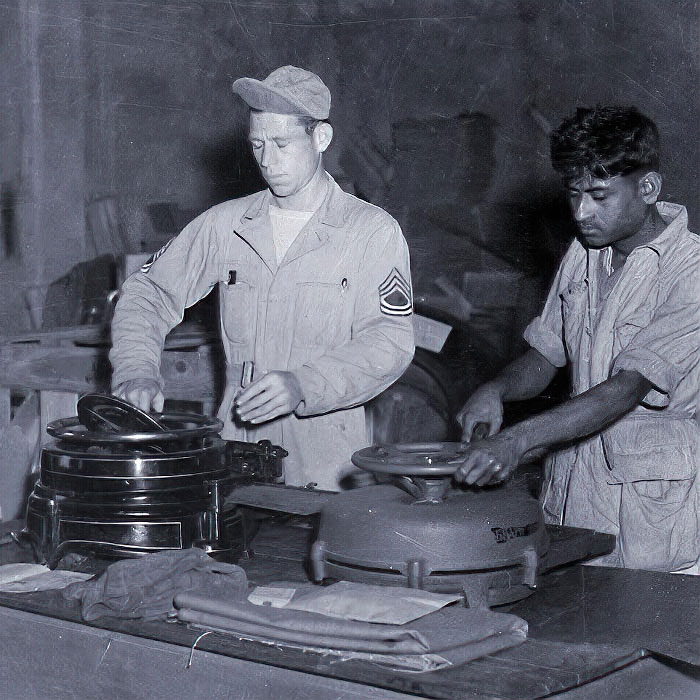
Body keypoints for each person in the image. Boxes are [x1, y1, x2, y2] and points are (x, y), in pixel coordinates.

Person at [109, 65, 415, 491]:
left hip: (328, 464)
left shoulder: (371, 232)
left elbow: (390, 341)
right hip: (236, 450)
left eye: (282, 143)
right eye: (257, 145)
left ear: (320, 138)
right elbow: (148, 291)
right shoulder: (226, 225)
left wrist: (304, 384)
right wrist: (137, 370)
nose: (267, 161)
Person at [454, 105, 699, 573]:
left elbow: (626, 389)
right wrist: (497, 389)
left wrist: (517, 441)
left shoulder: (691, 272)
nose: (581, 213)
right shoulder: (585, 252)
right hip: (576, 498)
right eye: (574, 194)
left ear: (647, 188)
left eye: (599, 195)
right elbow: (547, 354)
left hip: (656, 524)